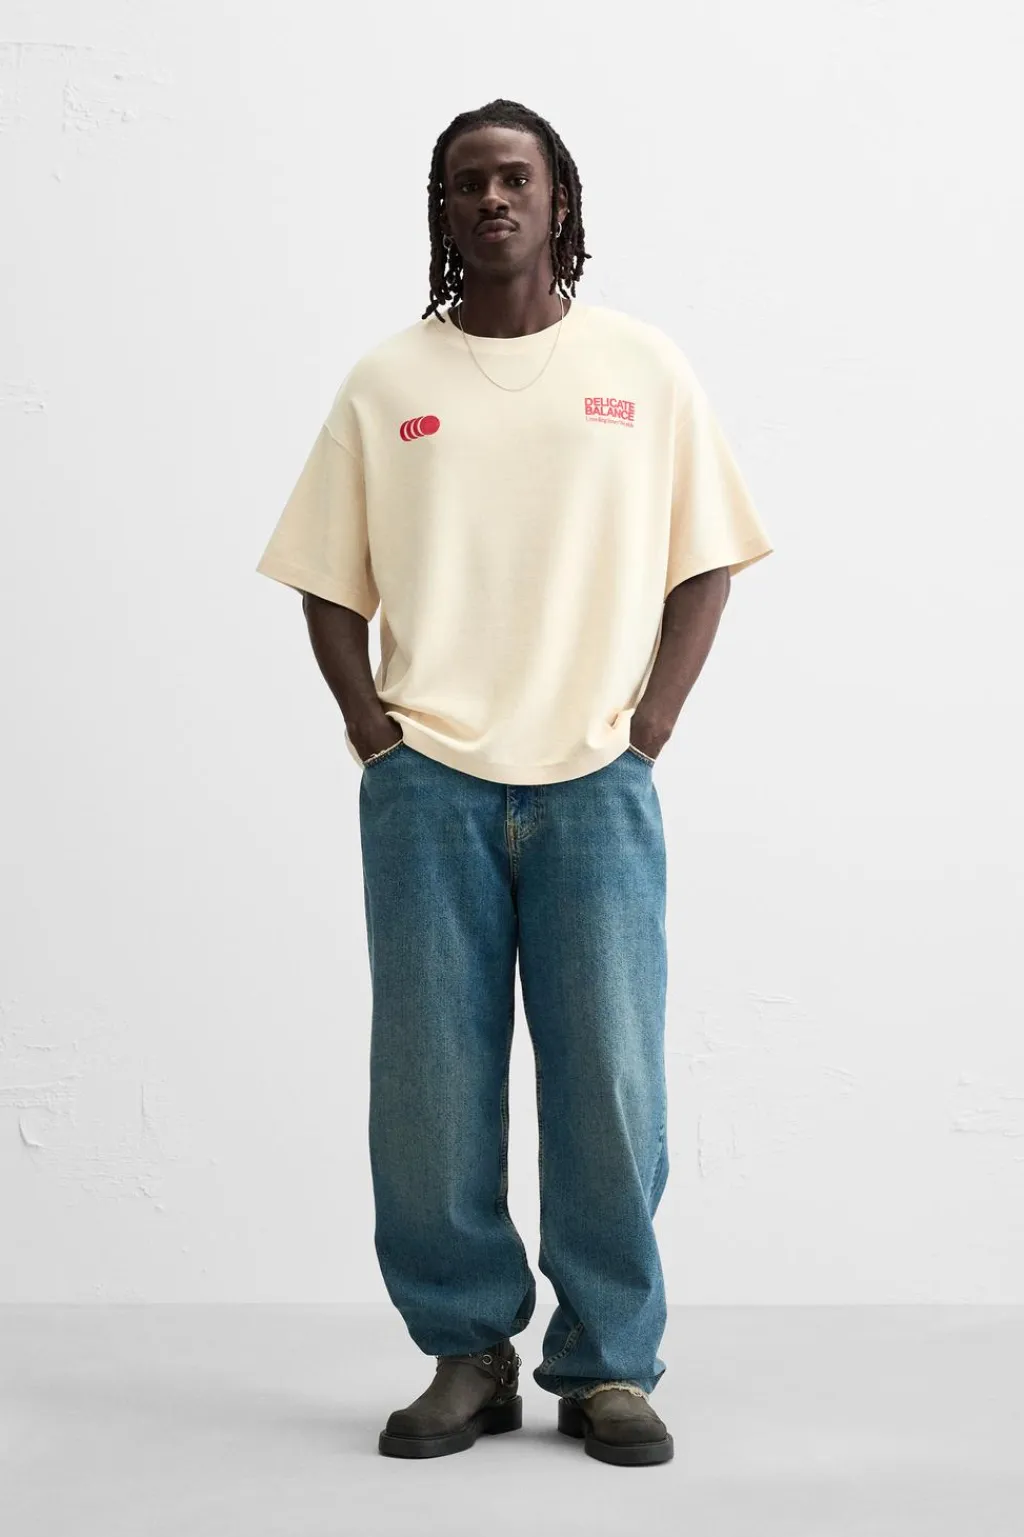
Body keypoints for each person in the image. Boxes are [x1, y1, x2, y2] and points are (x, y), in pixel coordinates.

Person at [256, 99, 773, 1468]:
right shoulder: (388, 384)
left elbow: (706, 559)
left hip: (598, 785)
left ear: (559, 201)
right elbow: (324, 581)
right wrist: (376, 739)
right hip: (429, 787)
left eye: (515, 178)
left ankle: (606, 1368)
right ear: (443, 210)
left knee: (610, 1083)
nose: (491, 198)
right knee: (431, 1087)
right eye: (466, 182)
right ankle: (468, 1354)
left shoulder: (641, 369)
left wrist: (650, 727)